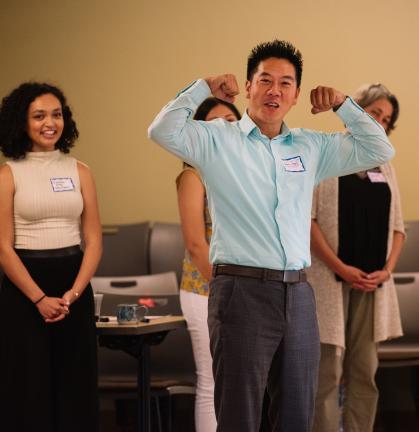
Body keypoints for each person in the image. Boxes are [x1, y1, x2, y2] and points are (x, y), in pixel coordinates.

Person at [148, 39, 394, 431]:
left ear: (296, 95)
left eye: (285, 83)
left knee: (297, 415)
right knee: (240, 417)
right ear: (248, 87)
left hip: (298, 294)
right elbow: (161, 131)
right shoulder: (217, 139)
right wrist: (203, 87)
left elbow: (379, 149)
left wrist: (344, 104)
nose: (274, 90)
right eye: (265, 80)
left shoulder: (311, 146)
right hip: (241, 293)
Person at [0, 82, 101, 431]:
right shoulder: (7, 174)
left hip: (74, 289)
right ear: (21, 123)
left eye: (56, 114)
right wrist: (39, 298)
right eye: (38, 116)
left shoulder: (80, 170)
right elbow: (2, 248)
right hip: (26, 292)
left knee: (75, 387)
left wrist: (74, 293)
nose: (49, 122)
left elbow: (94, 238)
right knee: (28, 391)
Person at [307, 83, 405, 432]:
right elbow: (309, 221)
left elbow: (398, 227)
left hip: (372, 286)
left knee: (364, 370)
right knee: (328, 373)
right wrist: (342, 268)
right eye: (375, 113)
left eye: (387, 119)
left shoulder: (385, 162)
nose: (380, 122)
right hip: (330, 281)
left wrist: (387, 271)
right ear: (356, 110)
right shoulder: (327, 153)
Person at [176, 97, 241, 431]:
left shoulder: (246, 169)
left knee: (241, 385)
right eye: (215, 122)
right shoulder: (193, 175)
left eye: (231, 120)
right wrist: (223, 288)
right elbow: (195, 243)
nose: (225, 128)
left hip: (244, 288)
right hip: (206, 289)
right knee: (212, 379)